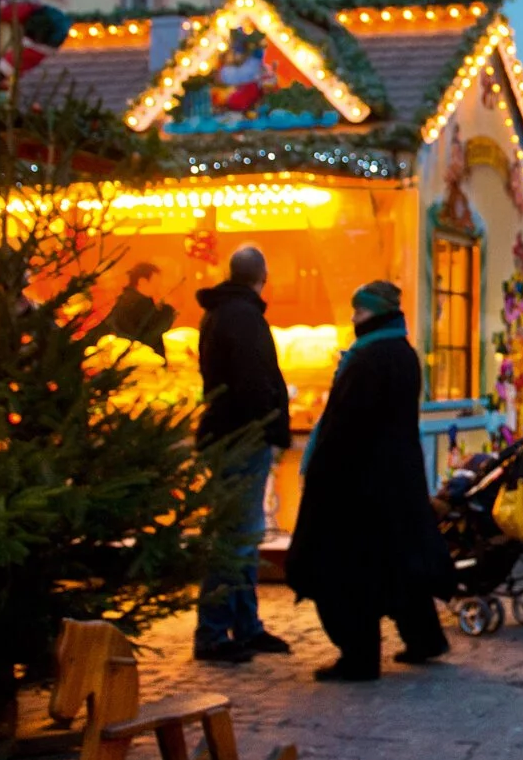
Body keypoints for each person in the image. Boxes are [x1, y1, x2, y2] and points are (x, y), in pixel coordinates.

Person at [287, 281, 457, 681]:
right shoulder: (402, 352)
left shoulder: (367, 360)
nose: (353, 318)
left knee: (348, 571)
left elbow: (346, 426)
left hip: (357, 485)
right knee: (399, 563)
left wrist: (321, 476)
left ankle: (359, 656)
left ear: (374, 312)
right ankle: (425, 638)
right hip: (397, 477)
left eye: (359, 312)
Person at [193, 245, 294, 664]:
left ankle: (244, 625)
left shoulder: (221, 313)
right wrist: (270, 425)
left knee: (243, 532)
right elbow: (255, 381)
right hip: (242, 437)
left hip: (227, 434)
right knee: (236, 535)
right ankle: (215, 631)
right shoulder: (245, 317)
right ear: (262, 276)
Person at [102, 261, 177, 359]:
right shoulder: (139, 305)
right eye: (156, 284)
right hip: (138, 362)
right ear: (142, 281)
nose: (158, 288)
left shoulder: (125, 300)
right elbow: (148, 337)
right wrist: (167, 312)